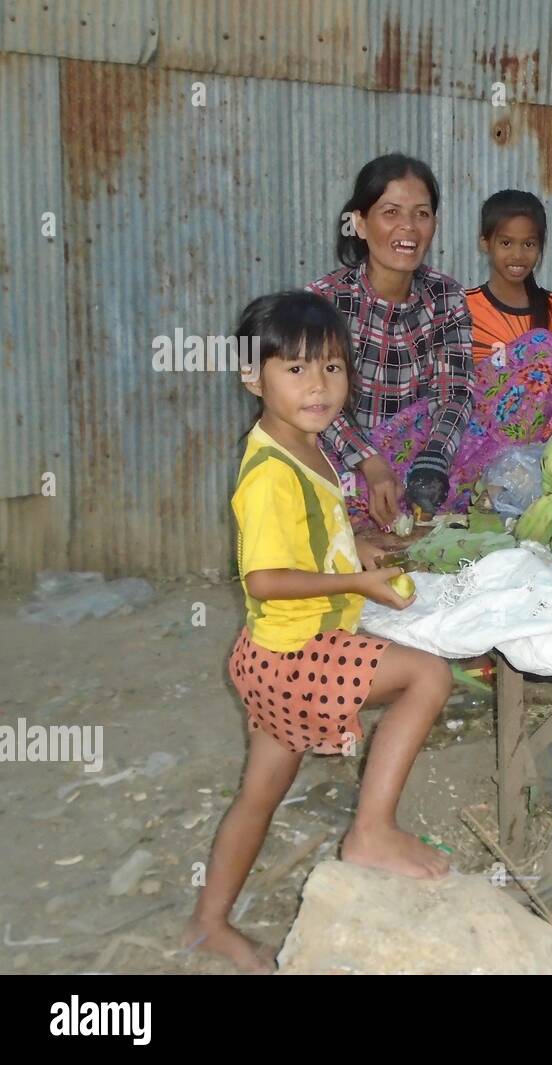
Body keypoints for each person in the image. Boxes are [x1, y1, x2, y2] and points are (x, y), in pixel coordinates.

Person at [183, 291, 452, 974]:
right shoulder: (270, 472)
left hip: (269, 653)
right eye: (296, 370)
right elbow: (268, 577)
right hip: (299, 652)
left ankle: (209, 923)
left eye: (332, 369)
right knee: (428, 675)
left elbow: (310, 540)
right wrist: (355, 584)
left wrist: (357, 544)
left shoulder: (302, 445)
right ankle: (369, 831)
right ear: (252, 376)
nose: (319, 386)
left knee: (259, 792)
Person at [310, 153, 473, 527]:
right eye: (391, 213)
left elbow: (456, 391)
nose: (408, 228)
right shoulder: (323, 301)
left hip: (424, 455)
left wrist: (433, 462)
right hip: (346, 456)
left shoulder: (446, 297)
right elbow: (313, 401)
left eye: (421, 213)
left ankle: (433, 497)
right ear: (360, 224)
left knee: (538, 356)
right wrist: (370, 461)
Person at [446, 189, 552, 512]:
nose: (518, 255)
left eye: (529, 244)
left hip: (533, 460)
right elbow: (458, 389)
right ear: (485, 243)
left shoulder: (550, 308)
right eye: (506, 243)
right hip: (477, 454)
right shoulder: (464, 308)